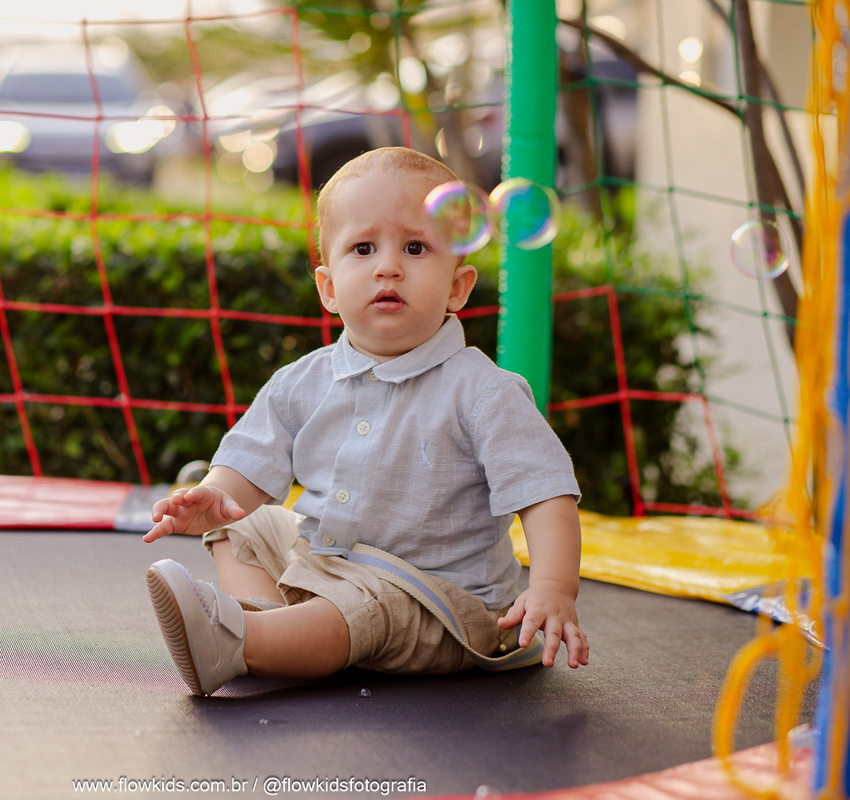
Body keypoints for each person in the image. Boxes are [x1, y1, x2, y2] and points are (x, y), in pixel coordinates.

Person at [142, 147, 588, 696]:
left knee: (367, 604)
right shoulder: (299, 382)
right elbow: (248, 467)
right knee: (243, 524)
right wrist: (215, 496)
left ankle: (241, 643)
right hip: (324, 564)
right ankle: (268, 619)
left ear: (457, 287)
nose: (388, 266)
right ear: (329, 288)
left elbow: (546, 495)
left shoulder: (485, 392)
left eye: (415, 247)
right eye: (363, 248)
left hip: (437, 602)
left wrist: (553, 587)